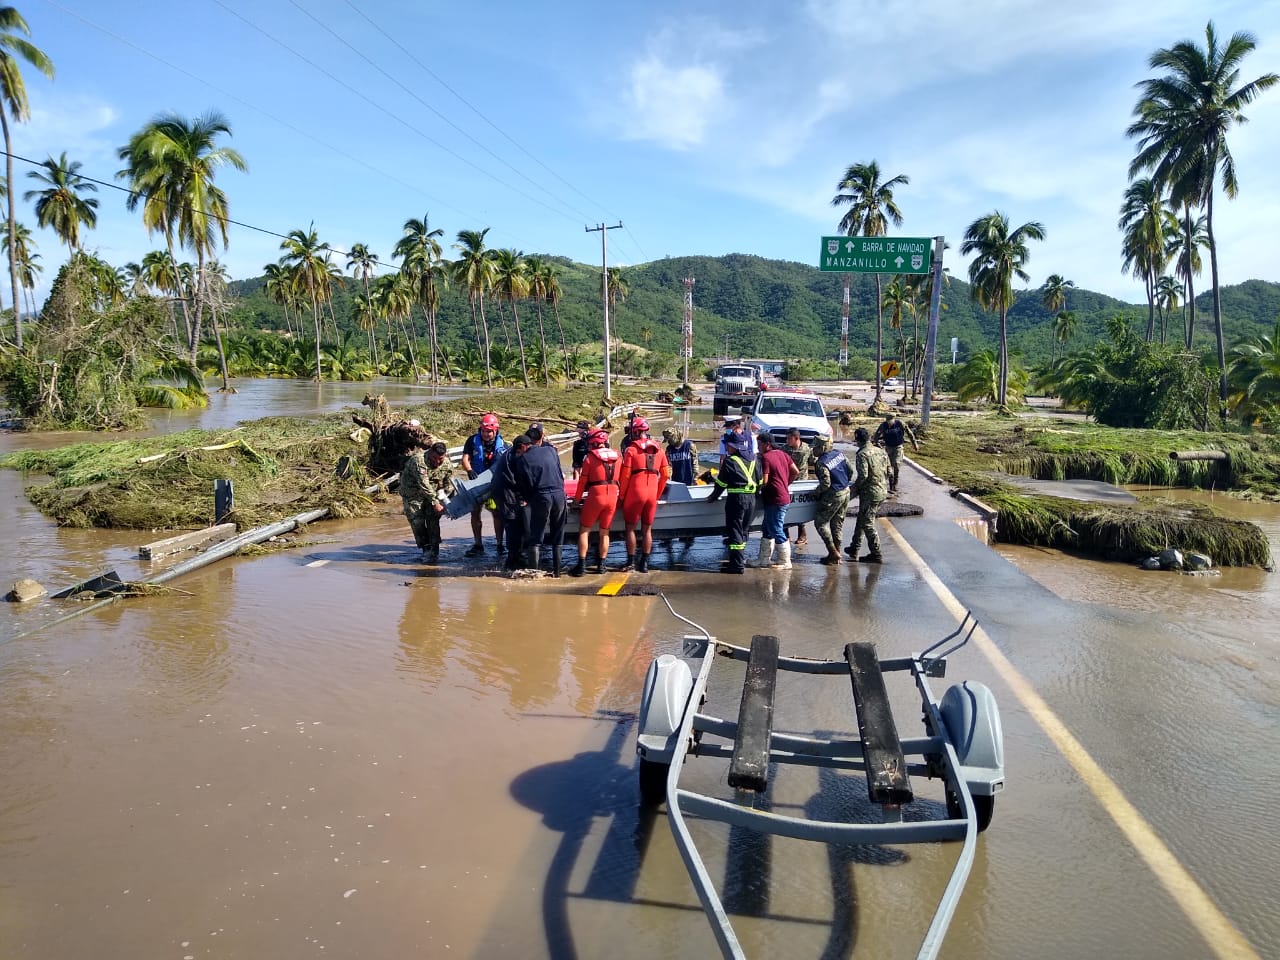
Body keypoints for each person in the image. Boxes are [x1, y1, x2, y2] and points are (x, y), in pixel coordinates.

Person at [616, 416, 670, 573]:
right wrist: (657, 493)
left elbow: (625, 477)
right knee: (647, 530)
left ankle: (631, 562)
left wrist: (622, 496)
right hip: (652, 493)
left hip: (635, 492)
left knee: (630, 528)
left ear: (635, 432)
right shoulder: (659, 449)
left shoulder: (631, 450)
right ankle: (645, 564)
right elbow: (666, 475)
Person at [513, 430, 567, 576]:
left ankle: (534, 573)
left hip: (542, 496)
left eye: (518, 450)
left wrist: (529, 500)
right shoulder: (551, 450)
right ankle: (557, 572)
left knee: (536, 536)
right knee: (558, 533)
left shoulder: (522, 460)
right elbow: (559, 472)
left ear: (524, 446)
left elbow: (525, 484)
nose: (518, 453)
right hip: (559, 494)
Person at [707, 431, 759, 574]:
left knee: (735, 531)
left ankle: (737, 565)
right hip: (751, 500)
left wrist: (712, 497)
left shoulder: (730, 461)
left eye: (727, 445)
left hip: (736, 500)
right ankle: (738, 560)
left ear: (732, 446)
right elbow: (760, 482)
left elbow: (722, 484)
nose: (726, 448)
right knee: (743, 531)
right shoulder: (754, 460)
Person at [569, 429, 620, 576]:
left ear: (593, 443)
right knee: (605, 532)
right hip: (612, 496)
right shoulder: (618, 456)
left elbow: (582, 483)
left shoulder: (590, 458)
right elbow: (622, 479)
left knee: (585, 530)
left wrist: (576, 501)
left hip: (595, 496)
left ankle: (581, 566)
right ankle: (602, 566)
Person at [399, 436, 456, 564]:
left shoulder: (446, 464)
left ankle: (434, 551)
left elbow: (449, 484)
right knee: (417, 521)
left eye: (440, 459)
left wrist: (445, 501)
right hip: (413, 494)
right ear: (430, 452)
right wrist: (435, 502)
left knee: (433, 521)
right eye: (434, 458)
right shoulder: (419, 461)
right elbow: (424, 484)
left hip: (433, 494)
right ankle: (425, 549)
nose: (437, 462)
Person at [460, 413, 507, 557]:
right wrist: (469, 470)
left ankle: (500, 544)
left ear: (495, 431)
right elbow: (465, 458)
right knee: (475, 513)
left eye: (489, 431)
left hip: (493, 484)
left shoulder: (503, 444)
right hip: (476, 482)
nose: (486, 434)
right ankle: (478, 544)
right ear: (480, 429)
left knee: (497, 514)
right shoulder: (472, 441)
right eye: (484, 431)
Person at [845, 426, 890, 563]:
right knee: (862, 517)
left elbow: (863, 476)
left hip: (870, 493)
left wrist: (854, 488)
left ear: (858, 440)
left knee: (868, 523)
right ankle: (855, 547)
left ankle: (876, 554)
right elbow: (889, 472)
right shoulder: (881, 451)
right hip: (882, 490)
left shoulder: (862, 454)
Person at [753, 434, 799, 569]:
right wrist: (786, 483)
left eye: (760, 444)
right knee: (767, 528)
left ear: (767, 444)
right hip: (781, 496)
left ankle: (785, 561)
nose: (758, 447)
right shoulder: (783, 454)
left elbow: (765, 480)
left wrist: (757, 489)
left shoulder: (766, 458)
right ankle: (763, 559)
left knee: (776, 529)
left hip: (775, 499)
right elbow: (795, 471)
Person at [489, 434, 531, 571]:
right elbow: (519, 479)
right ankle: (513, 560)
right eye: (528, 447)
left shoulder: (509, 453)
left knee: (513, 523)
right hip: (506, 493)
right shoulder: (516, 457)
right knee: (513, 523)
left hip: (501, 491)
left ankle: (515, 557)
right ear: (522, 447)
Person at [811, 435, 852, 565]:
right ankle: (837, 553)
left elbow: (825, 483)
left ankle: (833, 552)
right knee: (837, 524)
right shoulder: (839, 454)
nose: (813, 450)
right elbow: (850, 471)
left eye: (815, 447)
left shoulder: (821, 463)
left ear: (822, 447)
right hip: (845, 491)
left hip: (834, 494)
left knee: (820, 523)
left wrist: (816, 493)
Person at [783, 428, 812, 545]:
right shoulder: (785, 449)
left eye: (789, 439)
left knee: (800, 508)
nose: (787, 441)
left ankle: (802, 534)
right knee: (785, 507)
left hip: (801, 482)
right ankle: (785, 534)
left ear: (797, 439)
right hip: (788, 481)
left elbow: (803, 465)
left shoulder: (805, 449)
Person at [873, 412, 907, 494]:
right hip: (888, 447)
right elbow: (877, 435)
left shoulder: (900, 423)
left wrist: (915, 443)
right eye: (888, 421)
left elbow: (909, 432)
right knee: (888, 466)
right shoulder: (883, 425)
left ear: (894, 419)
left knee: (896, 464)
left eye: (890, 420)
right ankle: (891, 484)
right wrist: (876, 443)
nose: (889, 422)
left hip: (898, 446)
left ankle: (895, 484)